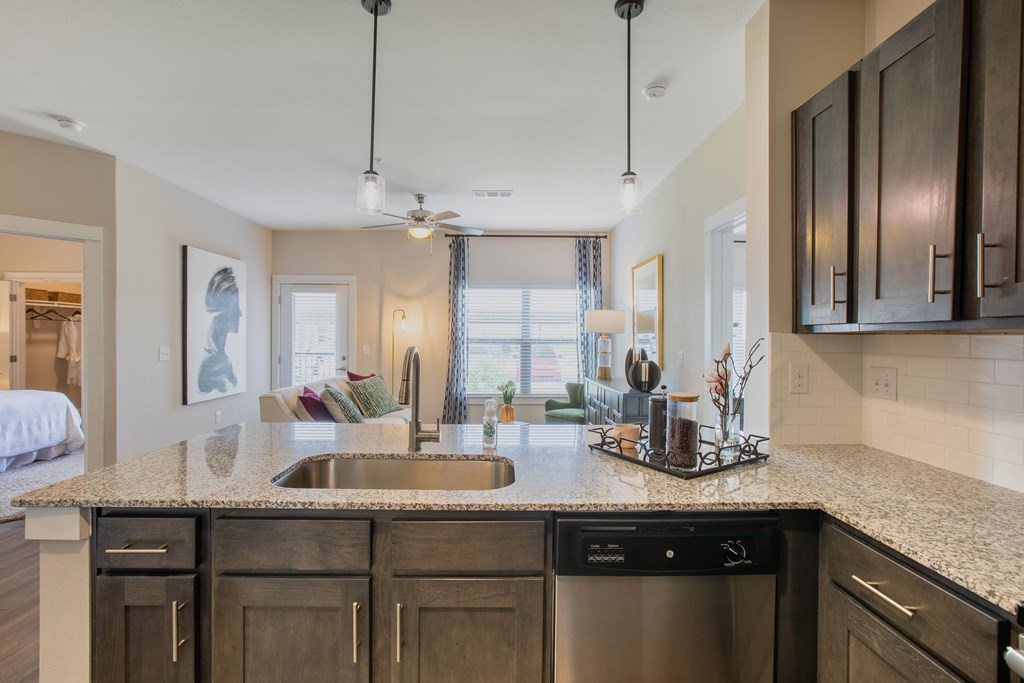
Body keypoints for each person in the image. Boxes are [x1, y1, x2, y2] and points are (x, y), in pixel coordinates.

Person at [198, 266, 241, 394]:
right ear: (220, 312)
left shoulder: (223, 359)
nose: (240, 314)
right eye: (234, 307)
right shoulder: (214, 367)